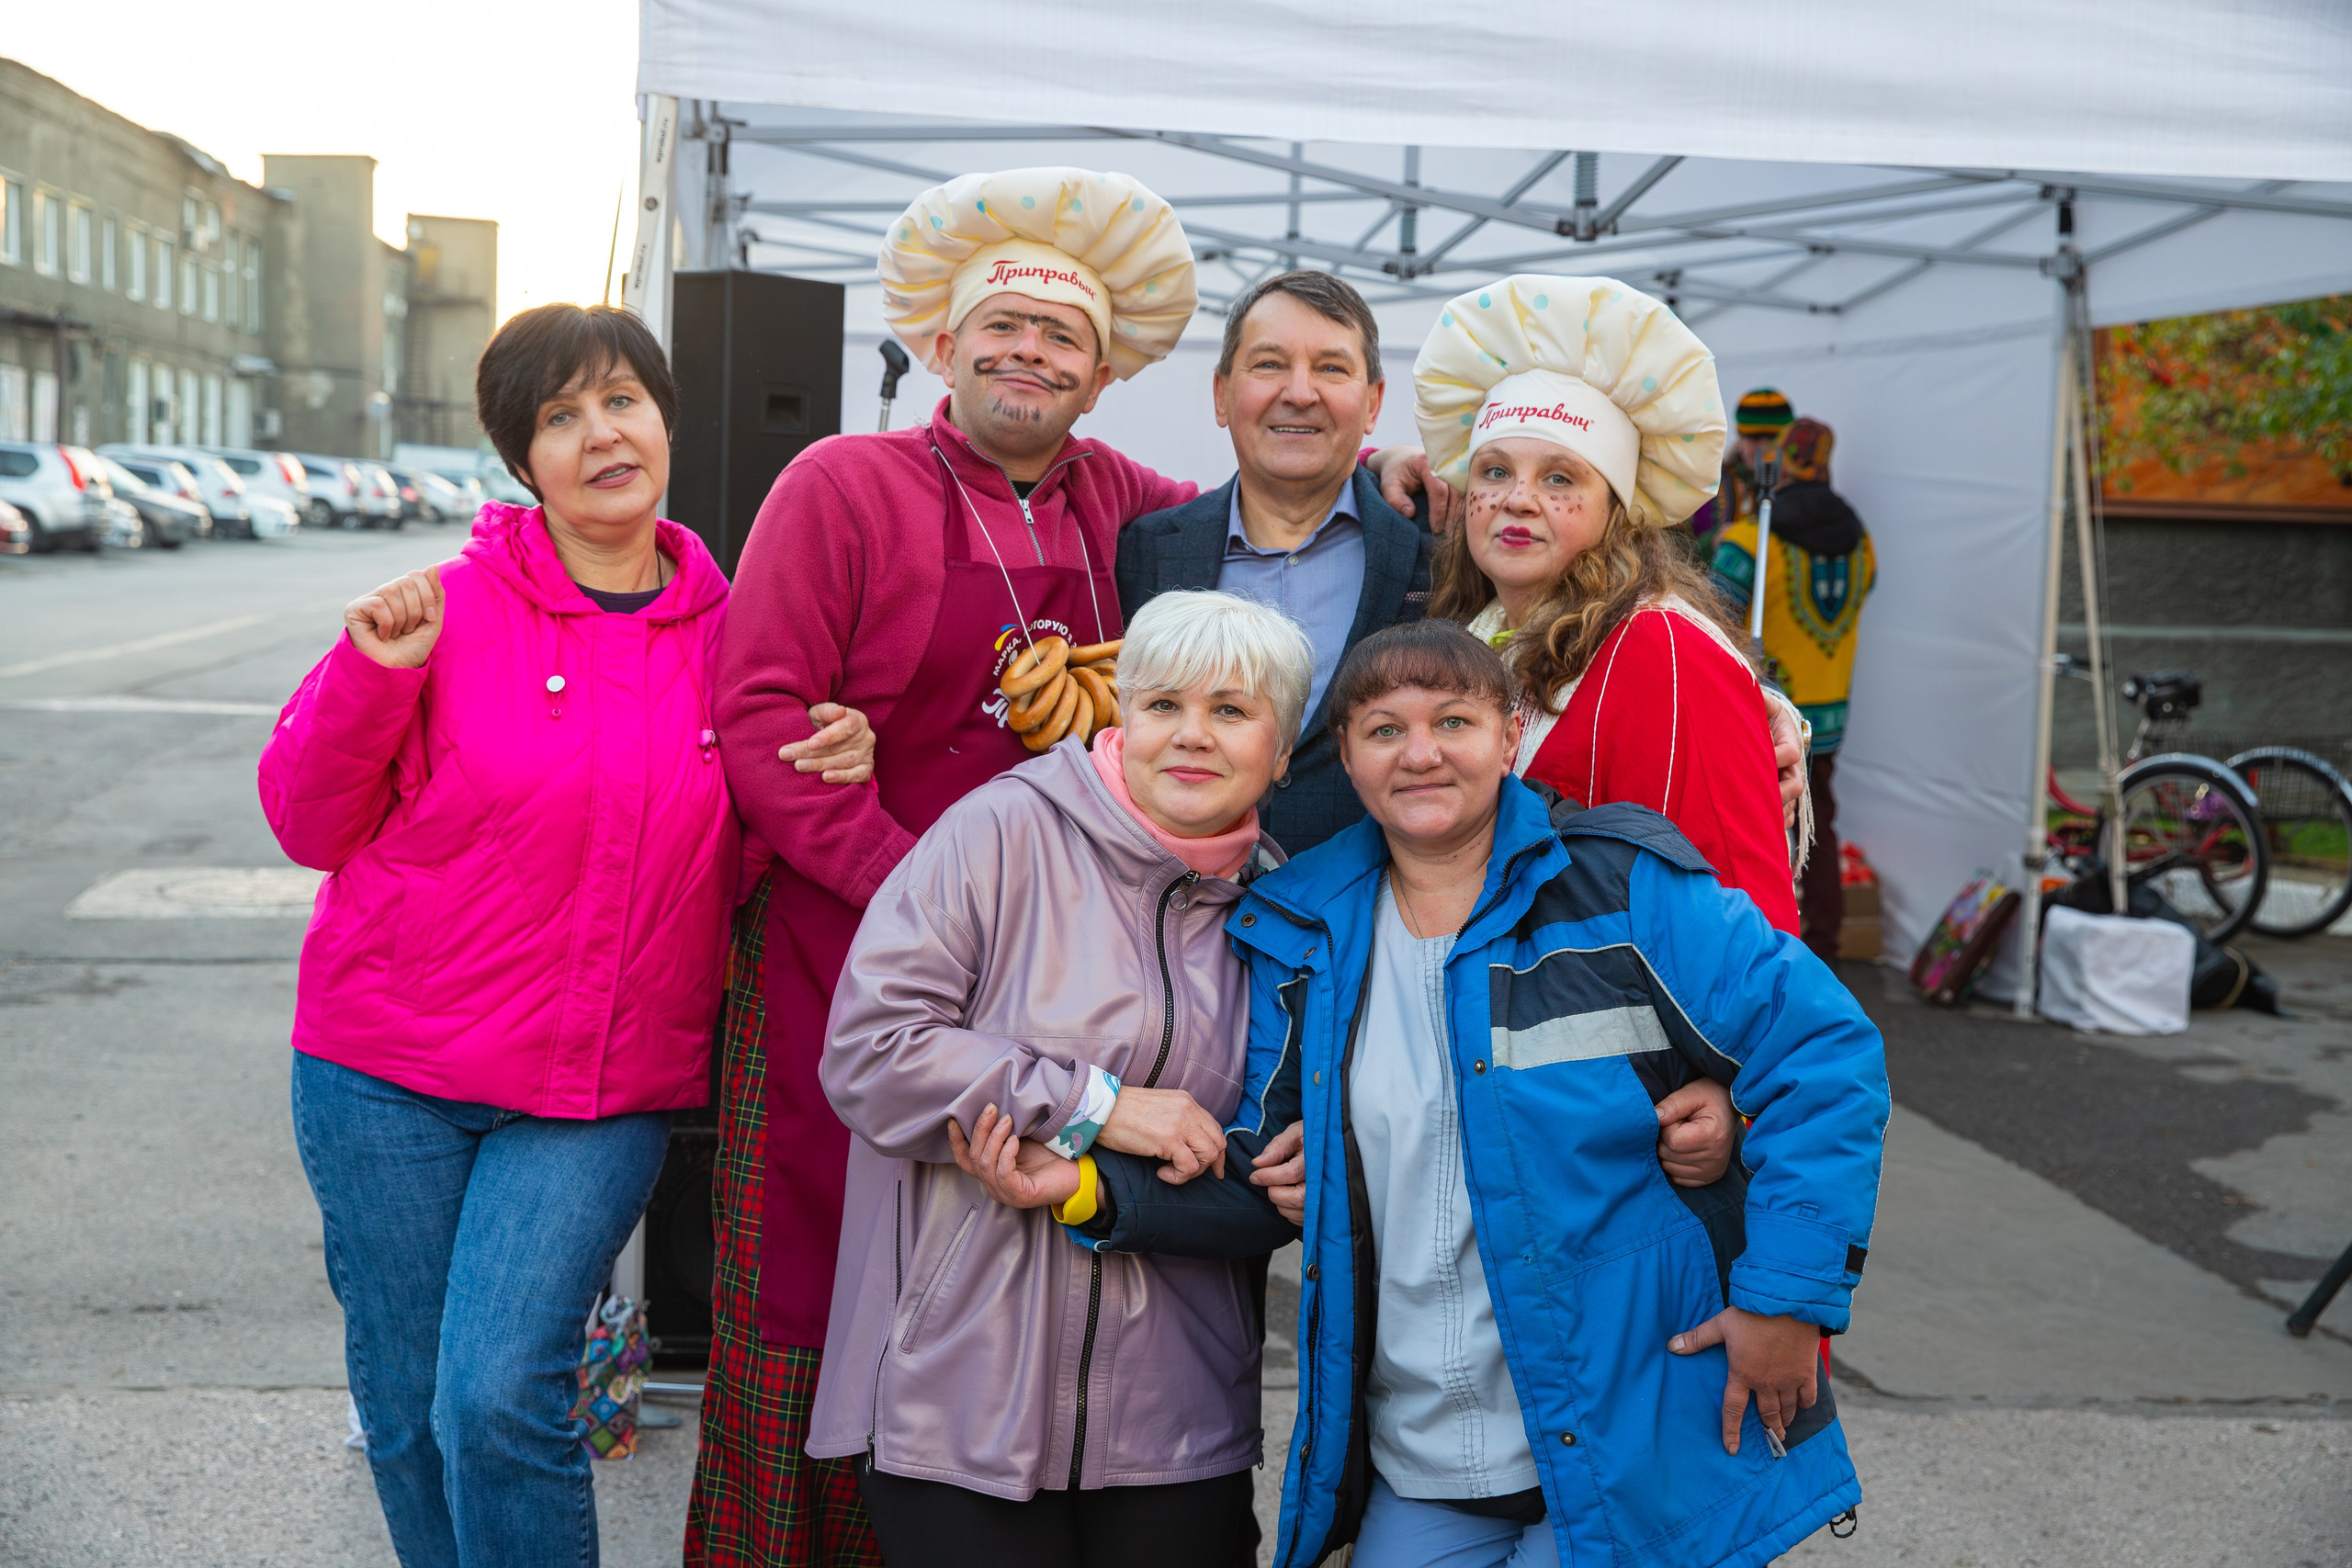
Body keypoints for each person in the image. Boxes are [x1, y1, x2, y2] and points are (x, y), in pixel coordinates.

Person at [692, 168, 1448, 1565]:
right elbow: (756, 720)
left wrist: (1405, 474)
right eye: (1003, 326)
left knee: (1065, 1266)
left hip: (1121, 957)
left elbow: (1280, 487)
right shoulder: (842, 482)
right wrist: (928, 884)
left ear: (1107, 376)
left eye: (1063, 338)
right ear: (943, 341)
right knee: (827, 1296)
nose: (1029, 354)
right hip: (857, 944)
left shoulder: (1139, 513)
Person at [1075, 620, 1890, 1568]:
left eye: (1452, 721)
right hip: (1422, 1459)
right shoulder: (1302, 929)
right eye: (1384, 729)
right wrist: (1088, 1188)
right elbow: (1257, 1159)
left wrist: (1784, 1302)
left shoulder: (1620, 891)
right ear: (1344, 755)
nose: (1419, 753)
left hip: (1624, 1441)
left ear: (1508, 736)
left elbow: (1825, 1056)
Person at [258, 303, 867, 1568]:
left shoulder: (742, 633)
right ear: (521, 460)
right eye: (560, 415)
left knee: (496, 1393)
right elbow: (308, 822)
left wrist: (832, 762)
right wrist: (370, 680)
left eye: (621, 400)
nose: (601, 433)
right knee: (412, 1411)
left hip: (594, 1091)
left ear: (664, 417)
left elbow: (748, 857)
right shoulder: (446, 610)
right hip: (384, 1077)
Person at [803, 590, 1311, 1566]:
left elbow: (1265, 1157)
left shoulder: (1282, 915)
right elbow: (871, 1049)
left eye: (1232, 711)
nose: (1189, 737)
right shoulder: (999, 833)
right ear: (1122, 710)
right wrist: (1096, 1105)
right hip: (959, 1388)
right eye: (1161, 705)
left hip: (1178, 1413)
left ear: (1282, 750)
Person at [1416, 274, 1803, 932]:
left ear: (1615, 511)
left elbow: (1741, 908)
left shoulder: (1665, 649)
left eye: (1559, 477)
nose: (1517, 498)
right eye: (1495, 471)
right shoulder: (1471, 636)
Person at [1115, 270, 1433, 856]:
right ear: (1220, 394)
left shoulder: (1438, 554)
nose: (1300, 392)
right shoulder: (1141, 552)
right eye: (1269, 364)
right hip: (1171, 912)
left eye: (1332, 368)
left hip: (1372, 919)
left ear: (1373, 403)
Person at [1711, 415, 1876, 963]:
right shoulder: (1861, 543)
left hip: (1762, 713)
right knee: (1818, 823)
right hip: (1830, 713)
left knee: (1753, 830)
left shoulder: (1746, 542)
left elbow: (1710, 622)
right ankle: (1824, 947)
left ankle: (1765, 953)